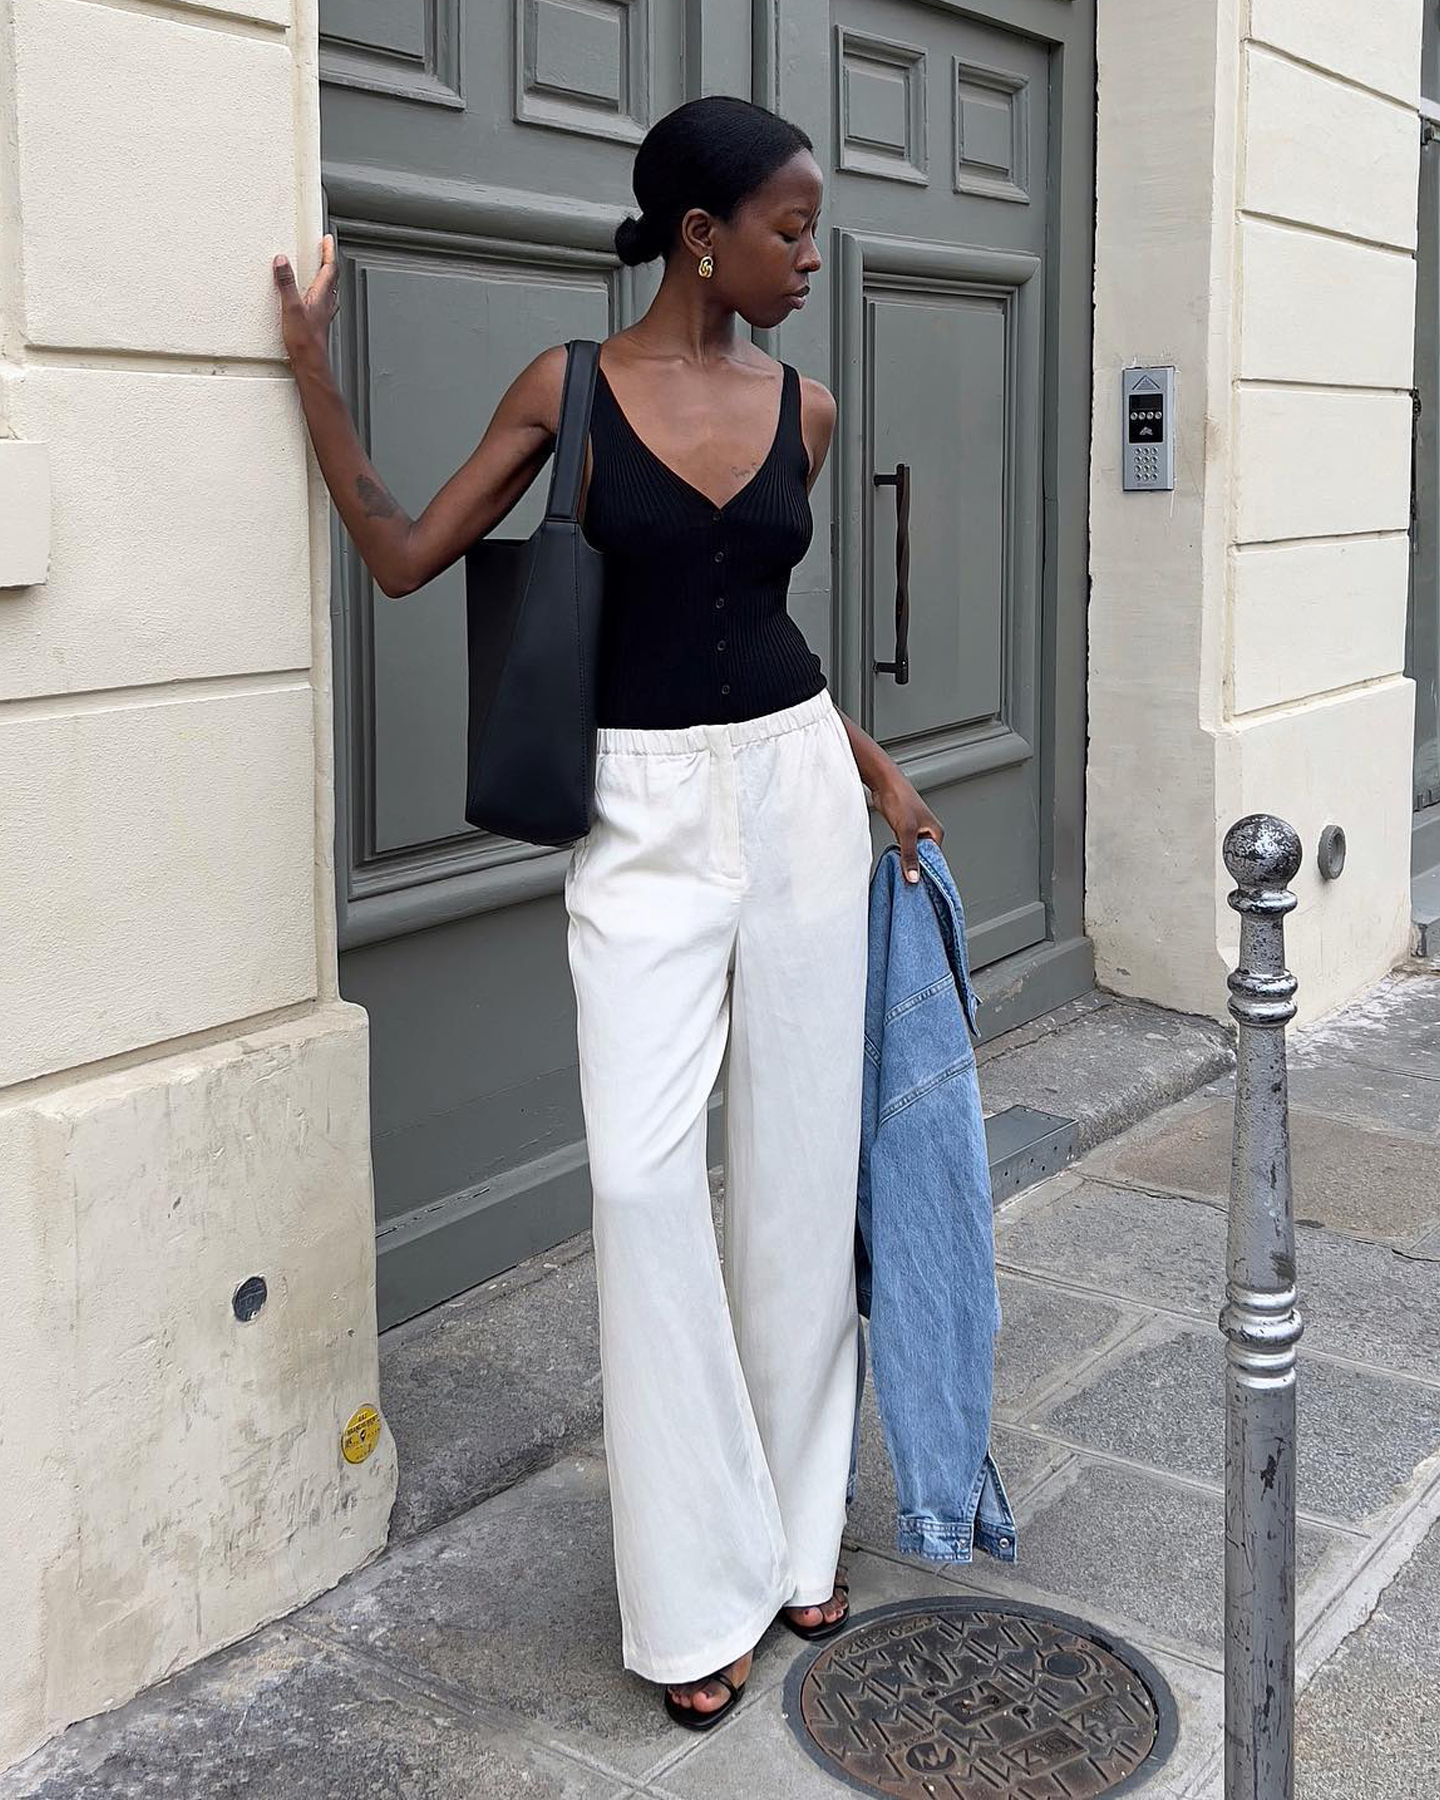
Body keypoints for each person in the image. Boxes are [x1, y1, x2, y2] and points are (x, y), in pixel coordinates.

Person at [272, 93, 943, 1730]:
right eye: (788, 229)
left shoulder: (808, 409)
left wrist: (867, 766)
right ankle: (691, 1579)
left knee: (795, 1178)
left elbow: (765, 632)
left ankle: (792, 1537)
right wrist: (310, 373)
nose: (810, 257)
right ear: (700, 237)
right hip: (636, 819)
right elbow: (403, 552)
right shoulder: (564, 392)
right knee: (648, 1185)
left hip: (792, 798)